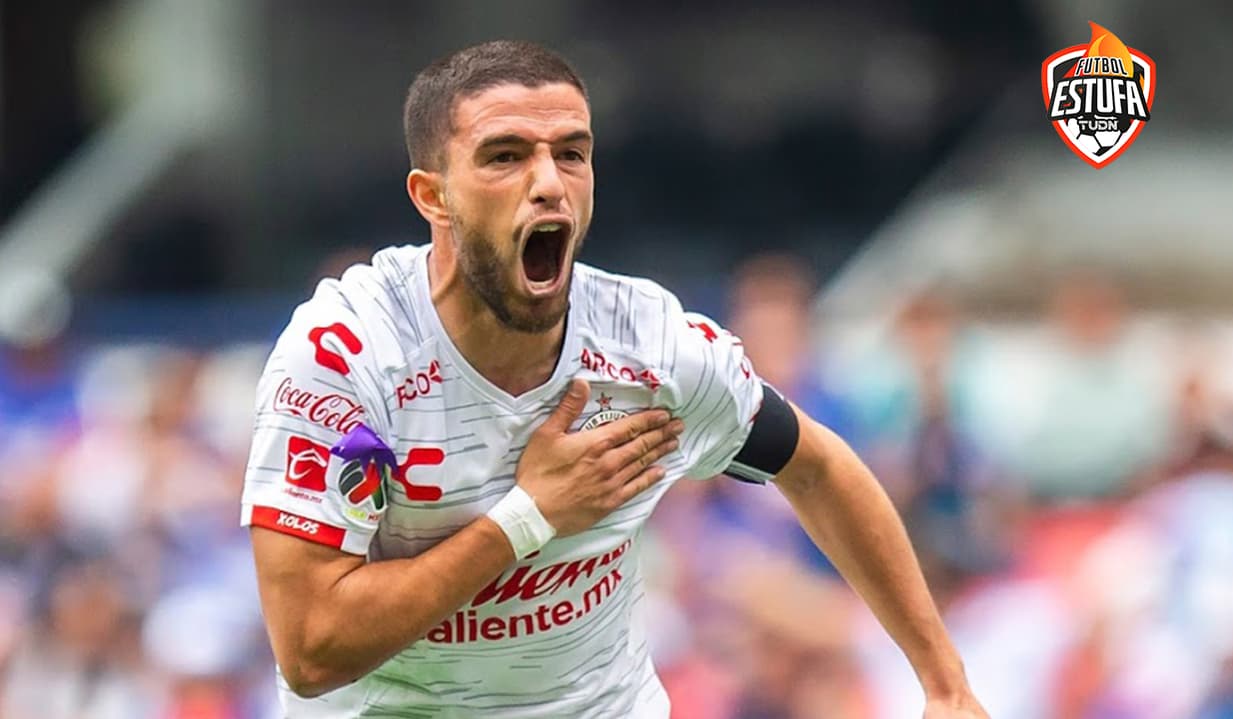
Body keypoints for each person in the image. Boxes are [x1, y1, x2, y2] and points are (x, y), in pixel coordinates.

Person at [242, 40, 987, 718]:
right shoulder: (347, 357)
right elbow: (311, 651)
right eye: (505, 156)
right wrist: (530, 516)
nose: (548, 183)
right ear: (432, 196)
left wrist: (944, 682)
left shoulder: (652, 348)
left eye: (571, 153)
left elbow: (816, 465)